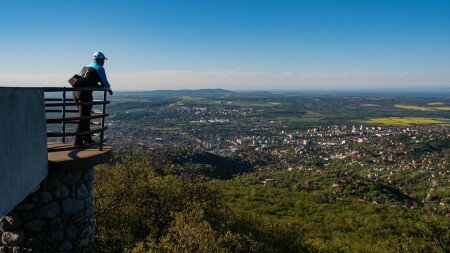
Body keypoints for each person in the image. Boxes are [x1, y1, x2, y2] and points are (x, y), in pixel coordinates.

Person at [73, 52, 113, 146]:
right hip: (85, 94)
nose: (104, 62)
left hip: (75, 92)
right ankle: (78, 142)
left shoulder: (86, 66)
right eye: (103, 60)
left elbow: (85, 80)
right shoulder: (99, 68)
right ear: (100, 59)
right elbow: (106, 84)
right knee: (84, 118)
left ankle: (87, 138)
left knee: (85, 117)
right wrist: (107, 88)